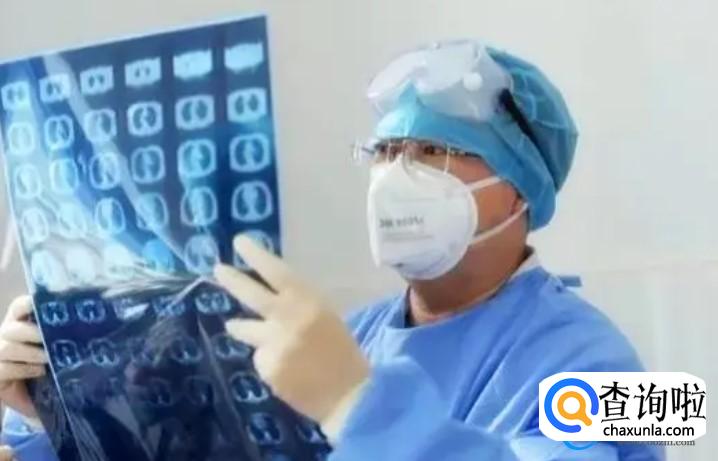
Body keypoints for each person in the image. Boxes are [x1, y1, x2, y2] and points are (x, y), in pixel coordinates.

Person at [0, 40, 664, 460]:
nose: (398, 175)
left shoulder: (607, 369)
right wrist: (60, 409)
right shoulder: (347, 337)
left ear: (520, 188)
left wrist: (356, 404)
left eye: (435, 151)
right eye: (387, 151)